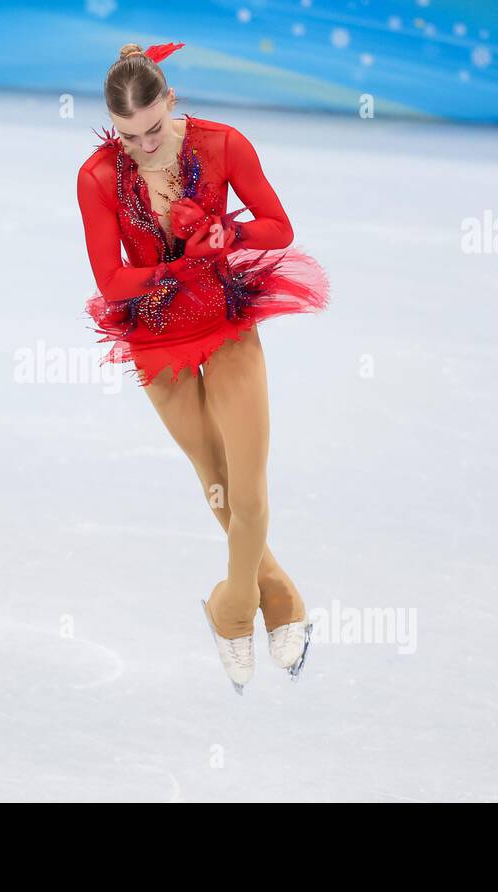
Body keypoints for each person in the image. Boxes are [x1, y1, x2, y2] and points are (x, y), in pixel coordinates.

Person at [76, 41, 329, 692]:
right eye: (129, 137)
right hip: (158, 338)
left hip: (223, 324)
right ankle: (281, 595)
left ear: (171, 100)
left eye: (154, 128)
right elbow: (110, 282)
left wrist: (228, 236)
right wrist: (177, 266)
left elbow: (278, 226)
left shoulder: (223, 145)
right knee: (213, 476)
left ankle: (234, 608)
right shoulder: (99, 176)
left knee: (247, 487)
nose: (145, 146)